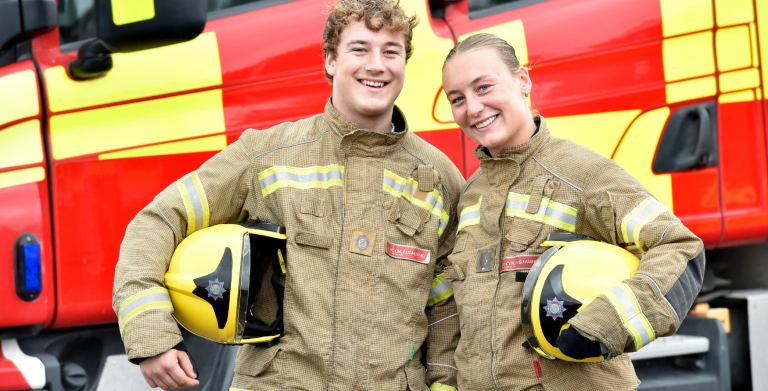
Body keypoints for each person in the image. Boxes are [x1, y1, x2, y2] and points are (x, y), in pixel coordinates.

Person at [112, 1, 465, 390]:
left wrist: (445, 384)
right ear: (331, 60)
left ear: (404, 65)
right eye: (359, 49)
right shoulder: (266, 156)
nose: (376, 65)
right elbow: (157, 223)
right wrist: (152, 336)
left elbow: (448, 305)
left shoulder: (439, 178)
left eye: (391, 51)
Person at [440, 33, 704, 390]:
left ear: (522, 80)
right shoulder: (471, 196)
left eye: (484, 87)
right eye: (458, 99)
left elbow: (679, 247)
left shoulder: (582, 174)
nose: (472, 108)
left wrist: (607, 323)